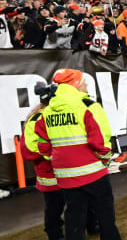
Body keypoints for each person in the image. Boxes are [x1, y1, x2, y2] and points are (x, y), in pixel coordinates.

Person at [34, 69, 121, 240]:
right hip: (94, 173)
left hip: (66, 177)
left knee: (74, 219)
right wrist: (105, 160)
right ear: (75, 84)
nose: (87, 85)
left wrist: (57, 160)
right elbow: (101, 141)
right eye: (84, 82)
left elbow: (43, 146)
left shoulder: (47, 112)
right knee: (106, 218)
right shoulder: (89, 107)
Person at [20, 82, 64, 240]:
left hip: (66, 170)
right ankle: (55, 235)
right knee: (54, 207)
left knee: (77, 203)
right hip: (49, 174)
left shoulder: (56, 115)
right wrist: (51, 153)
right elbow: (28, 150)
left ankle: (90, 226)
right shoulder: (36, 119)